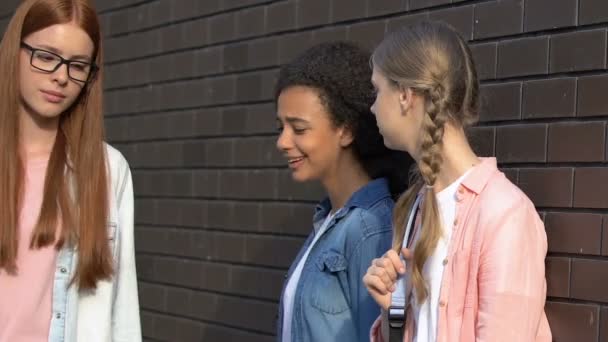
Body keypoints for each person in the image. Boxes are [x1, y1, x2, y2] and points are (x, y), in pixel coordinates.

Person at [363, 21, 552, 341]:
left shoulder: (504, 213)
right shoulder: (413, 211)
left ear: (405, 95)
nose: (372, 107)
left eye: (377, 90)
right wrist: (391, 310)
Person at [0, 0, 141, 341]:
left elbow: (122, 306)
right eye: (46, 57)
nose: (61, 76)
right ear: (13, 53)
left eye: (78, 66)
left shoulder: (108, 169)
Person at [275, 41, 414, 341]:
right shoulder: (328, 221)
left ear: (347, 130)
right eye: (281, 128)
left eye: (298, 129)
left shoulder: (370, 229)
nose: (283, 142)